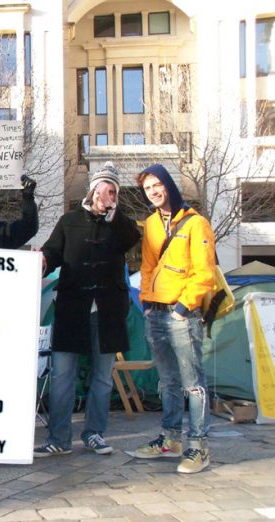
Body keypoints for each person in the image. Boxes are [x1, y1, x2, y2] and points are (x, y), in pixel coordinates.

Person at [33, 162, 139, 458]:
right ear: (92, 189)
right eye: (105, 189)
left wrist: (112, 212)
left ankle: (95, 433)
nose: (109, 195)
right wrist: (42, 261)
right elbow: (53, 252)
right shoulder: (69, 221)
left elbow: (133, 238)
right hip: (71, 310)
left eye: (114, 191)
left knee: (102, 378)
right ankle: (59, 438)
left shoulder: (120, 225)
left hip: (107, 314)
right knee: (62, 375)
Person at [133, 163, 215, 474]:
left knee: (193, 384)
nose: (153, 192)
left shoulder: (197, 224)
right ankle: (170, 440)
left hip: (183, 314)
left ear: (168, 185)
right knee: (167, 381)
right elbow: (148, 266)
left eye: (157, 185)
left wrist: (183, 307)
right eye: (147, 188)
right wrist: (146, 302)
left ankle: (198, 446)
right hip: (156, 313)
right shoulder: (152, 225)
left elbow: (204, 272)